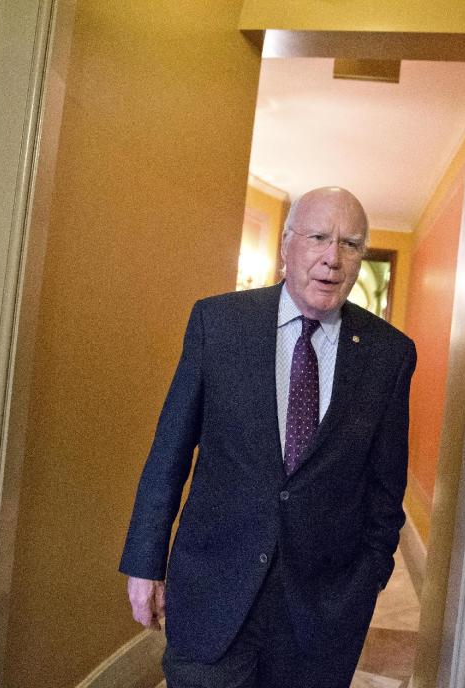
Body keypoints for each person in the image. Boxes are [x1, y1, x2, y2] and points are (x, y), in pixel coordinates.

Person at [119, 186, 417, 688]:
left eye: (350, 244)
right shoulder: (219, 324)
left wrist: (366, 582)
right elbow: (169, 450)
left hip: (321, 613)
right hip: (213, 591)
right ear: (286, 245)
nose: (332, 258)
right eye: (319, 237)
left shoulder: (389, 355)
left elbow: (386, 487)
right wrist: (145, 562)